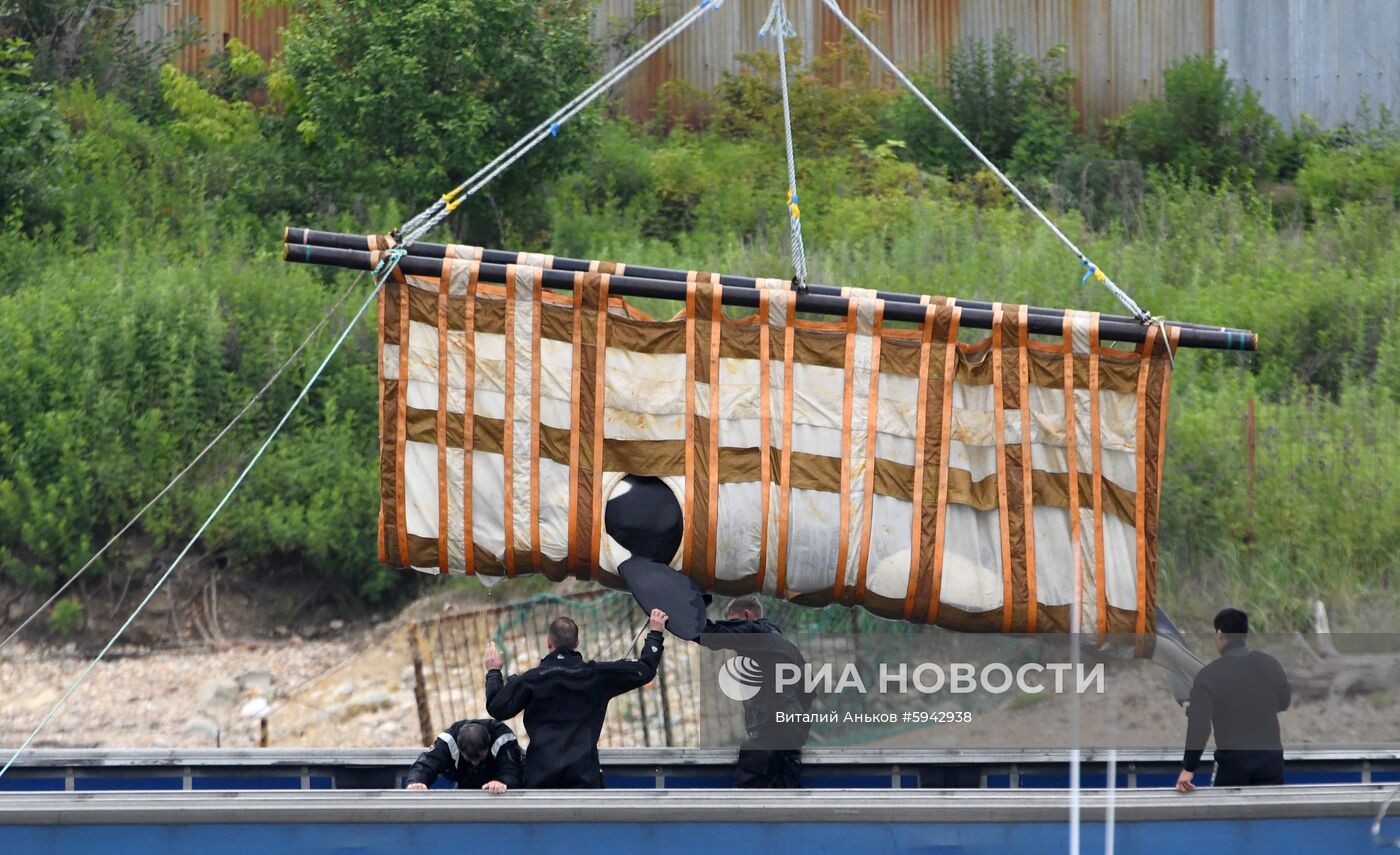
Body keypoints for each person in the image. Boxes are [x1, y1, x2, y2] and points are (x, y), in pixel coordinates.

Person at [484, 609, 668, 788]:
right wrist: (655, 634)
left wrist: (494, 672)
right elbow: (644, 670)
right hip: (585, 779)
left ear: (549, 642)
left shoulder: (530, 680)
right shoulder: (597, 676)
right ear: (577, 642)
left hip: (540, 779)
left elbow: (496, 707)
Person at [699, 594, 810, 788]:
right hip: (793, 731)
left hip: (769, 729)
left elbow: (708, 633)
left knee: (748, 793)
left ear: (747, 615)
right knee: (789, 791)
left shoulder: (755, 632)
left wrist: (695, 604)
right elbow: (808, 692)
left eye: (733, 623)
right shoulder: (789, 647)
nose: (732, 630)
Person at [1176, 607, 1291, 792]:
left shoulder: (1209, 675)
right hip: (1271, 762)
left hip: (1233, 764)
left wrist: (1188, 768)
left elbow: (1200, 726)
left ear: (1220, 634)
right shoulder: (1270, 664)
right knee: (1269, 818)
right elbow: (1284, 702)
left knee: (1224, 818)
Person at [404, 718, 523, 793]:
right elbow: (427, 763)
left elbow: (512, 768)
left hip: (498, 793)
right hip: (465, 783)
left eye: (479, 757)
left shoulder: (502, 738)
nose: (475, 763)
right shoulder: (447, 741)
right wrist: (416, 781)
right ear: (459, 750)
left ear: (488, 745)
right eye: (470, 759)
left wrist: (502, 782)